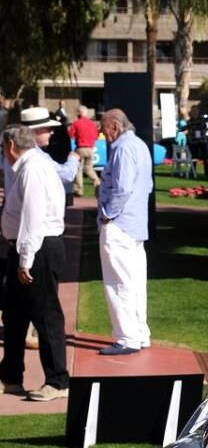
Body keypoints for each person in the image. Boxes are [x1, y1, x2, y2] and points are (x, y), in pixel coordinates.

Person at [0, 125, 69, 401]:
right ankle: (10, 376)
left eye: (3, 147)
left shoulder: (33, 169)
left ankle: (58, 381)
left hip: (39, 248)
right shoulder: (24, 167)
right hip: (23, 247)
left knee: (45, 314)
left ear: (11, 145)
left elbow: (34, 219)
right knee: (14, 314)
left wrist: (25, 260)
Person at [97, 109, 153, 355]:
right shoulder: (139, 146)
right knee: (135, 283)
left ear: (115, 126)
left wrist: (108, 214)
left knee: (118, 283)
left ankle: (126, 338)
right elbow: (147, 186)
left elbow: (122, 189)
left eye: (104, 128)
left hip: (119, 226)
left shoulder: (123, 148)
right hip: (135, 226)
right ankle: (139, 334)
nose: (103, 133)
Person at [68, 105, 101, 197]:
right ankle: (97, 183)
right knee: (89, 169)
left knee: (78, 169)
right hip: (91, 149)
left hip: (80, 148)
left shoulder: (76, 123)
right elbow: (96, 136)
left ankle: (78, 190)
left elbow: (70, 135)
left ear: (79, 113)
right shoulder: (92, 124)